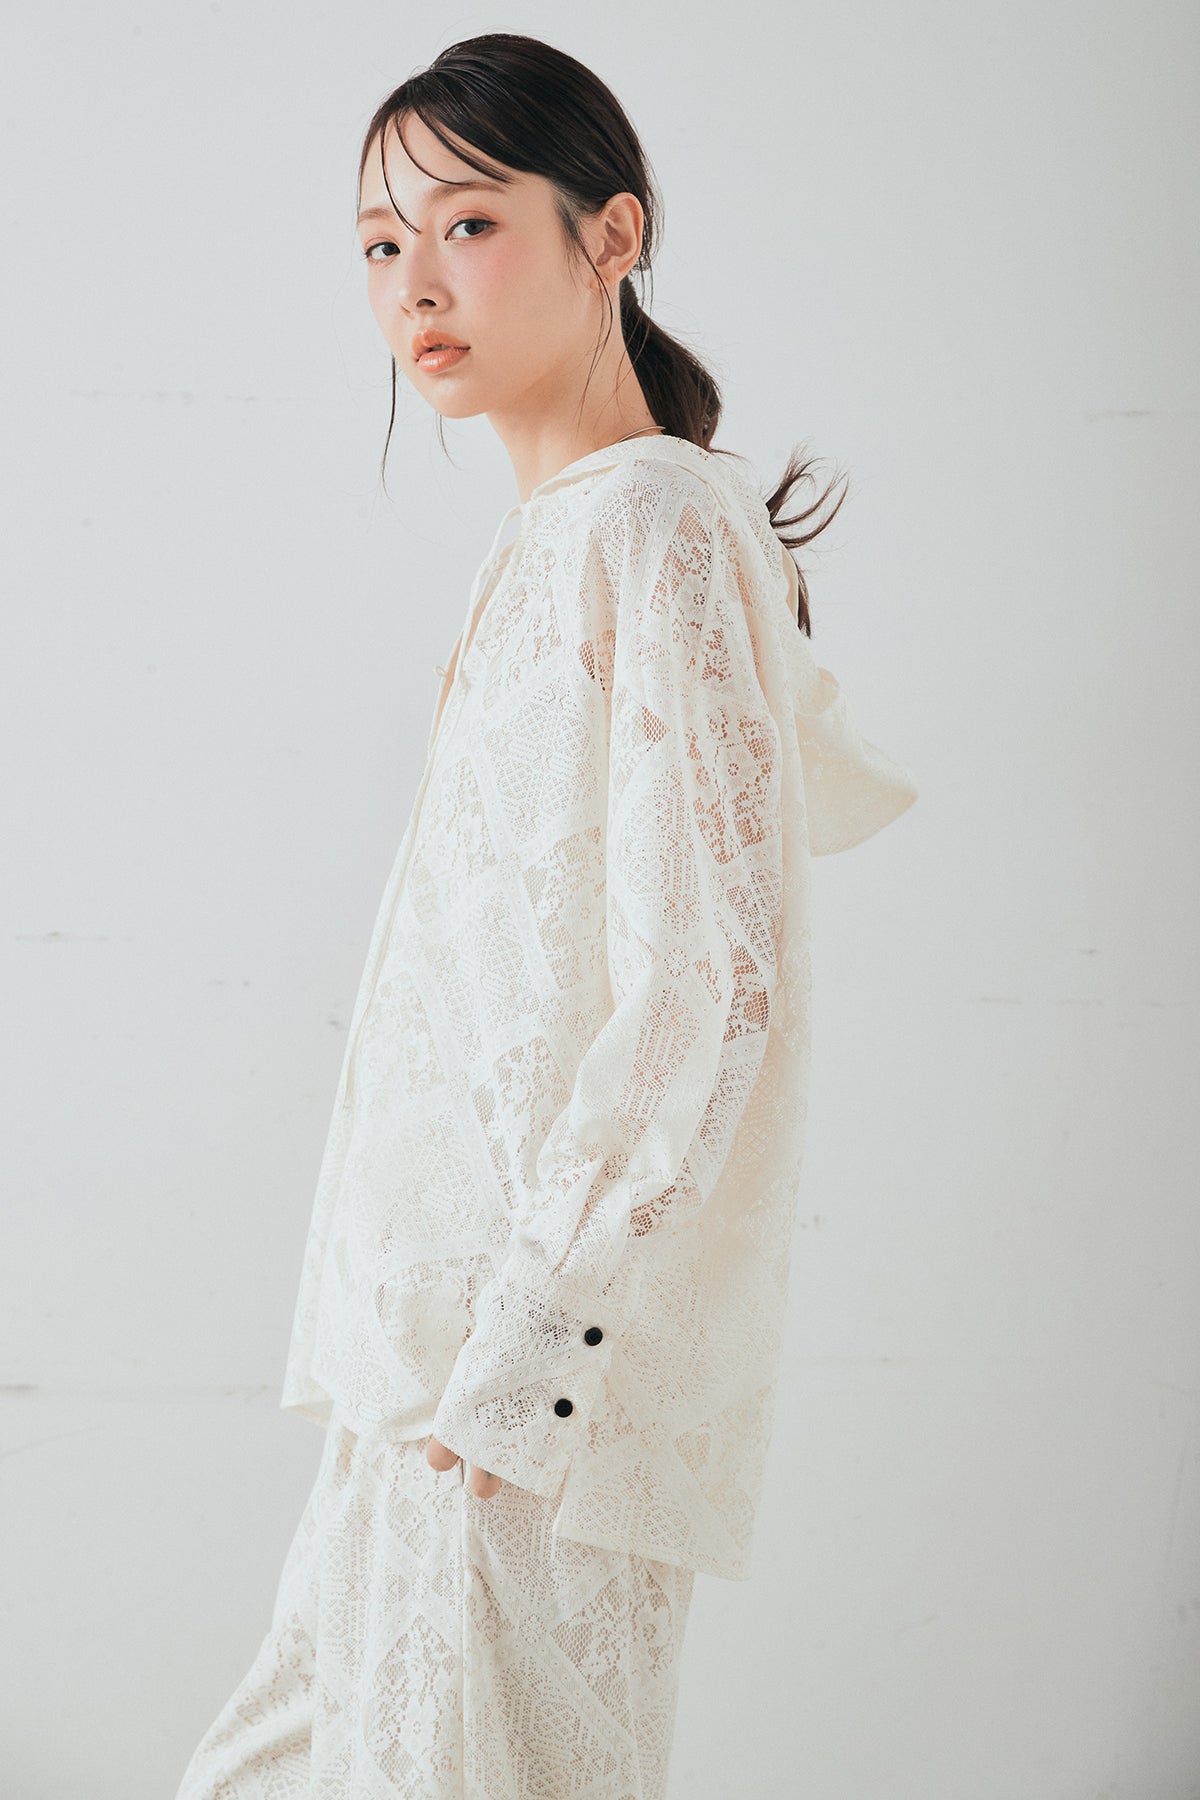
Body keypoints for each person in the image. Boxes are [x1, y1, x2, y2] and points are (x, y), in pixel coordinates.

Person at [174, 30, 918, 1800]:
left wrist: (525, 1370)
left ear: (614, 234)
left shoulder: (654, 529)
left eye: (468, 224)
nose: (413, 285)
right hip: (421, 1392)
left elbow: (708, 988)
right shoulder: (564, 538)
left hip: (514, 1420)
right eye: (379, 244)